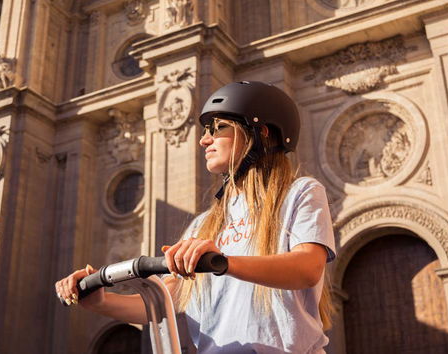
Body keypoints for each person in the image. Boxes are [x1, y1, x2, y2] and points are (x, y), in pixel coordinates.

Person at [55, 81, 337, 353]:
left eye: (218, 128)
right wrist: (99, 300)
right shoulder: (204, 225)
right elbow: (164, 302)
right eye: (205, 131)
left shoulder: (300, 192)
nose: (204, 140)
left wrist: (222, 262)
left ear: (260, 132)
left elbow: (307, 268)